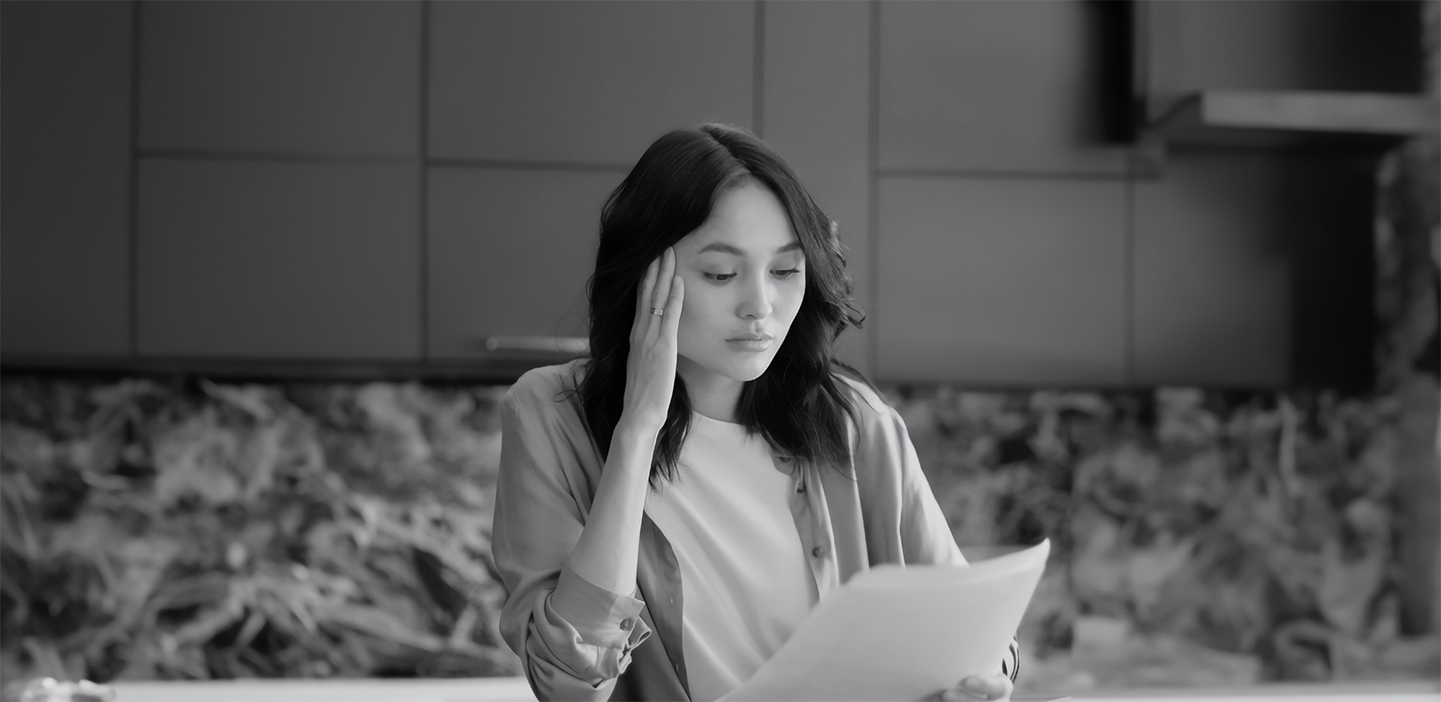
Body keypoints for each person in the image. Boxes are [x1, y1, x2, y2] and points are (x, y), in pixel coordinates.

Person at [492, 124, 1019, 702]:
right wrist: (637, 431)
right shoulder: (550, 412)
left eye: (785, 271)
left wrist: (982, 674)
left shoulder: (855, 422)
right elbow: (569, 684)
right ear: (644, 275)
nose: (760, 307)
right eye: (721, 274)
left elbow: (972, 626)